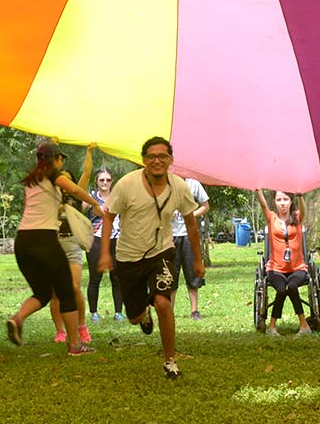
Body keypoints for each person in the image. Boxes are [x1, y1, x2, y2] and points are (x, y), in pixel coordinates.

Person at [97, 136, 205, 379]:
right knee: (134, 318)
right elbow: (108, 218)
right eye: (152, 156)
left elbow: (191, 224)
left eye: (163, 156)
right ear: (144, 160)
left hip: (162, 252)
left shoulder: (179, 186)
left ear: (170, 160)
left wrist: (197, 259)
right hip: (129, 256)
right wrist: (105, 253)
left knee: (164, 303)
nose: (157, 160)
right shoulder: (126, 184)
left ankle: (170, 360)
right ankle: (143, 313)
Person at [6, 139, 100, 355]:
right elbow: (75, 190)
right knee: (67, 292)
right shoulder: (53, 175)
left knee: (42, 292)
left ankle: (17, 319)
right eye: (60, 159)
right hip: (44, 239)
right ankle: (75, 346)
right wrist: (96, 205)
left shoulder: (31, 181)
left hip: (22, 242)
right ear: (55, 160)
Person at [49, 144, 97, 347]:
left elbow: (87, 172)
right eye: (62, 178)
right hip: (53, 243)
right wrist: (54, 146)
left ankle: (81, 327)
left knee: (75, 287)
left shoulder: (77, 194)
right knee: (55, 292)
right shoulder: (49, 193)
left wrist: (89, 152)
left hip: (72, 242)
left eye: (69, 178)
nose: (65, 181)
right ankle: (60, 330)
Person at [256, 189, 313, 335]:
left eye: (286, 199)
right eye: (279, 200)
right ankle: (272, 327)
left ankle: (303, 324)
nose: (282, 203)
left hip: (297, 268)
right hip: (276, 269)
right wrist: (258, 190)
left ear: (291, 201)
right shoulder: (272, 218)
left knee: (292, 286)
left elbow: (303, 210)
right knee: (281, 290)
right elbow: (263, 205)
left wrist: (300, 197)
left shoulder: (297, 217)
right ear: (275, 202)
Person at [84, 167, 123, 323]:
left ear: (112, 181)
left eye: (108, 179)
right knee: (95, 277)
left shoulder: (118, 197)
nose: (105, 183)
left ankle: (118, 312)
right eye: (102, 180)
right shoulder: (90, 197)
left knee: (117, 277)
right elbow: (77, 209)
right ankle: (94, 313)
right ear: (96, 182)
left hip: (116, 239)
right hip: (96, 239)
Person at [171, 173, 210, 319]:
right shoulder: (165, 183)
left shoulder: (194, 183)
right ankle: (170, 311)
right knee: (171, 275)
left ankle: (194, 311)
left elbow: (205, 206)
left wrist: (192, 215)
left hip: (189, 235)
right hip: (170, 236)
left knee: (192, 274)